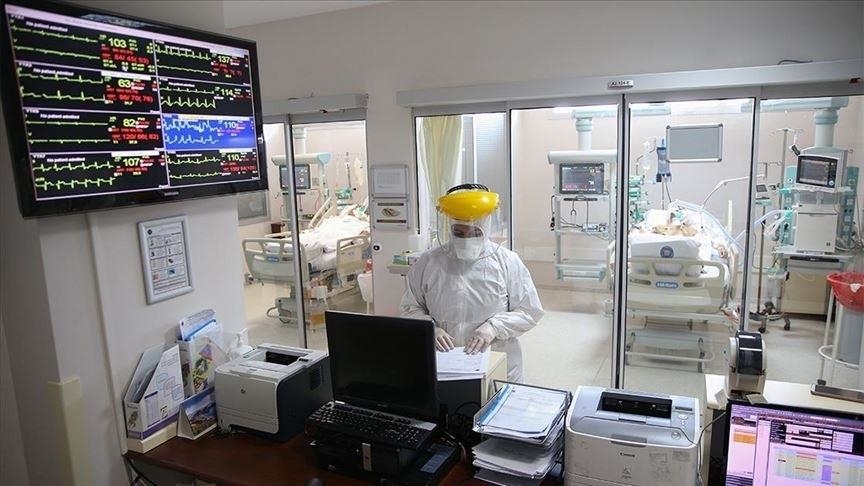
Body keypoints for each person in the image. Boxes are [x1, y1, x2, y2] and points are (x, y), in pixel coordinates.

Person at [400, 184, 544, 382]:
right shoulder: (429, 262)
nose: (466, 240)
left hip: (496, 361)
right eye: (459, 233)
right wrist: (430, 329)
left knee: (496, 400)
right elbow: (409, 307)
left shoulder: (507, 261)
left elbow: (530, 311)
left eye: (474, 233)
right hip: (443, 362)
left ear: (486, 228)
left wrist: (493, 327)